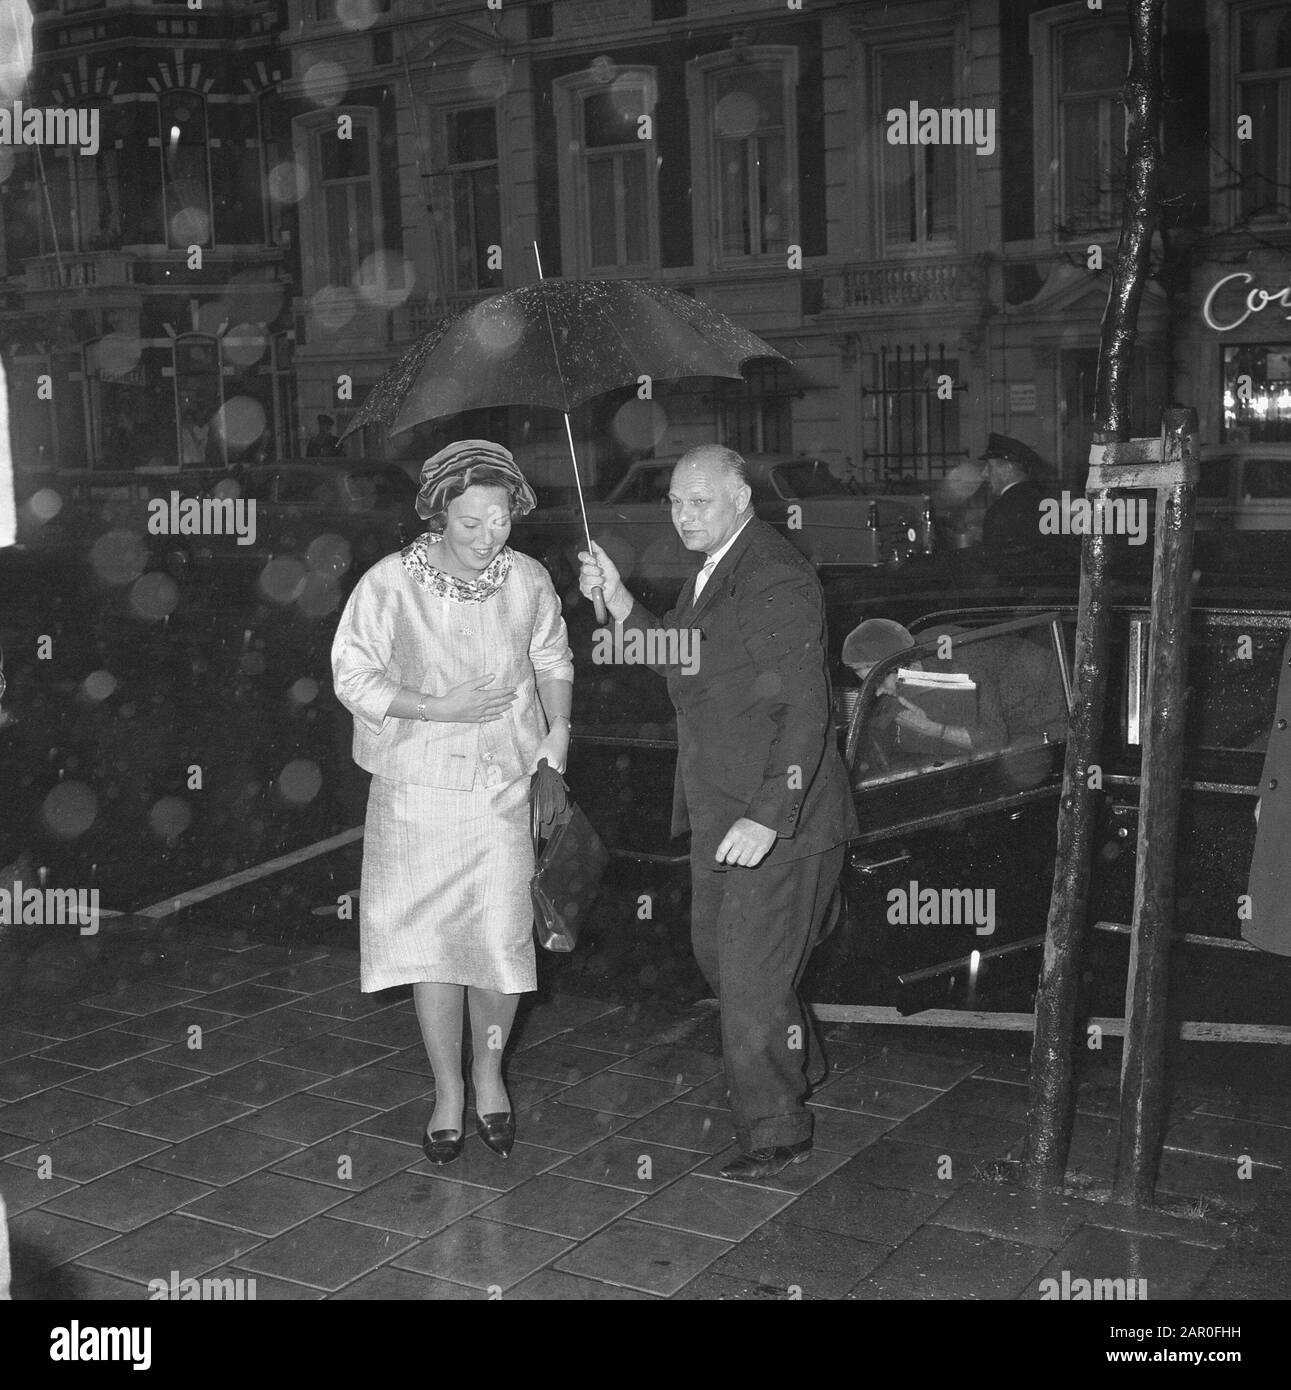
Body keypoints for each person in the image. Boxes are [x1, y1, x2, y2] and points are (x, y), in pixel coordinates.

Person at [578, 444, 858, 1182]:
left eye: (699, 501)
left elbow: (806, 710)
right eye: (674, 501)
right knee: (719, 957)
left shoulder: (771, 575)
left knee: (747, 979)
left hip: (775, 817)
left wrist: (769, 813)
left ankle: (776, 1129)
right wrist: (615, 599)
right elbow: (681, 654)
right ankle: (797, 1060)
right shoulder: (716, 569)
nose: (682, 515)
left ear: (742, 498)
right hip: (719, 807)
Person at [332, 440, 573, 1165]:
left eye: (498, 519)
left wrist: (558, 730)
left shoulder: (527, 578)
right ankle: (446, 1092)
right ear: (439, 515)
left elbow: (552, 656)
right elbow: (353, 674)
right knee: (431, 948)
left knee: (500, 944)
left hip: (504, 785)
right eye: (468, 522)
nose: (484, 536)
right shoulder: (388, 585)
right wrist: (435, 706)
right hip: (417, 790)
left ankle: (488, 1074)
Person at [842, 618, 1006, 770]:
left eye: (879, 682)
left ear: (902, 665)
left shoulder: (963, 661)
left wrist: (936, 730)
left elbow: (996, 740)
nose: (877, 692)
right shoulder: (901, 652)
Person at [979, 433, 1049, 556]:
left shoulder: (999, 510)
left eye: (989, 467)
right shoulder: (1043, 501)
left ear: (1008, 468)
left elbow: (992, 563)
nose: (984, 474)